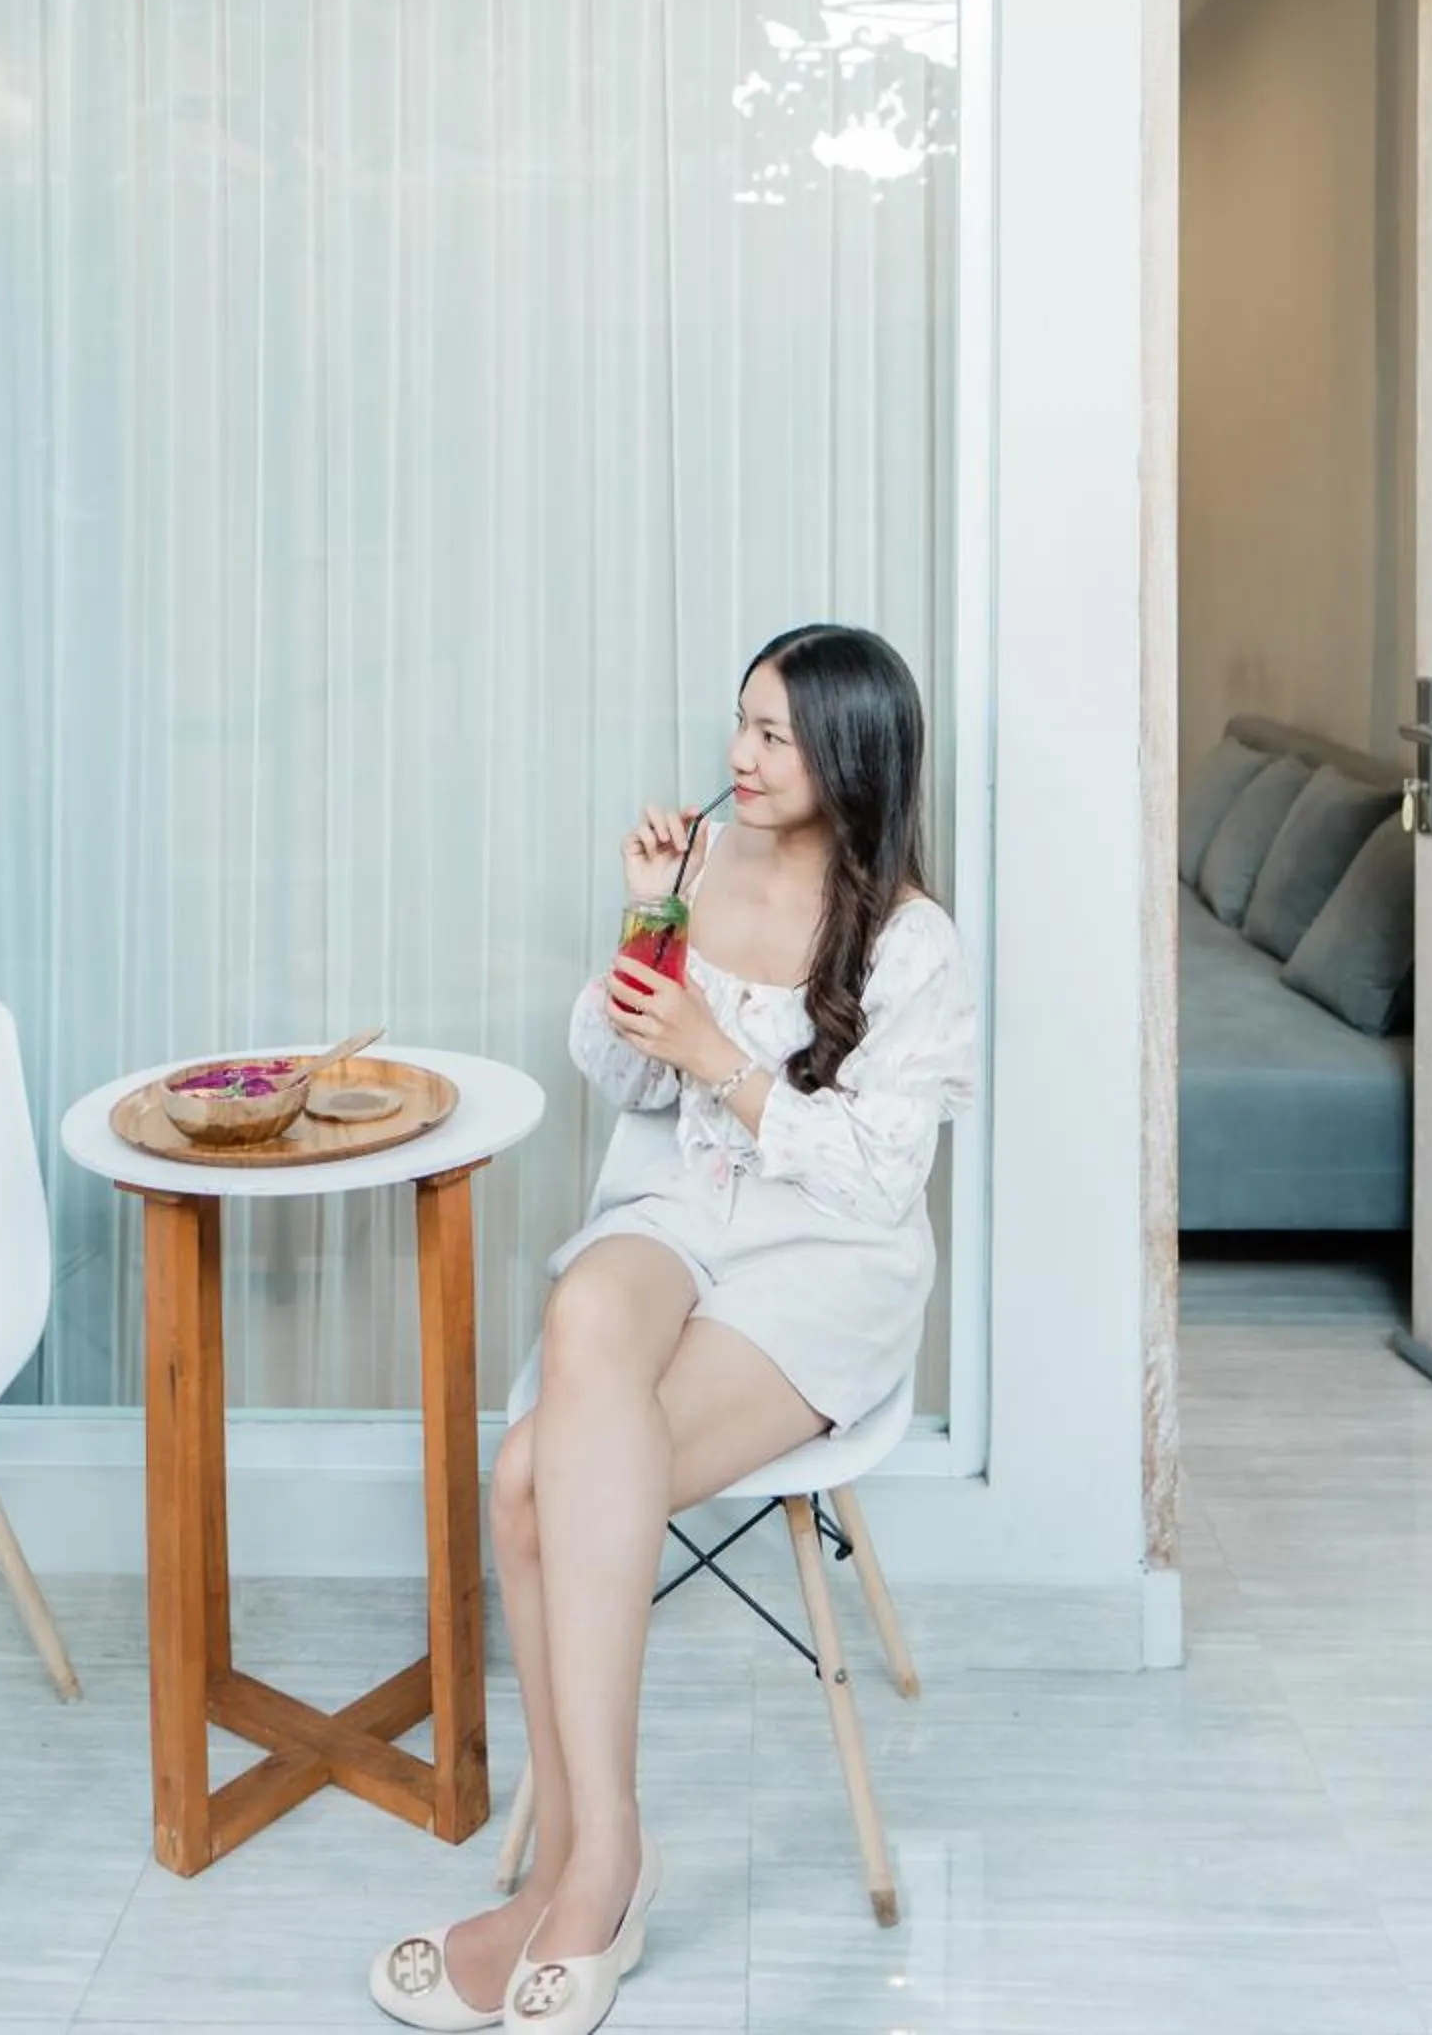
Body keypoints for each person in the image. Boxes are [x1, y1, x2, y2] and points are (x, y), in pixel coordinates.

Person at [370, 622, 977, 2035]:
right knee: (588, 1301)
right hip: (677, 1213)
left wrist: (730, 1060)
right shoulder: (706, 868)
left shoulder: (912, 942)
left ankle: (588, 1873)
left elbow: (882, 1175)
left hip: (823, 1264)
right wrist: (647, 923)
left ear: (851, 755)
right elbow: (616, 1077)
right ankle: (602, 1857)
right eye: (742, 727)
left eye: (773, 736)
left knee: (526, 1480)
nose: (739, 758)